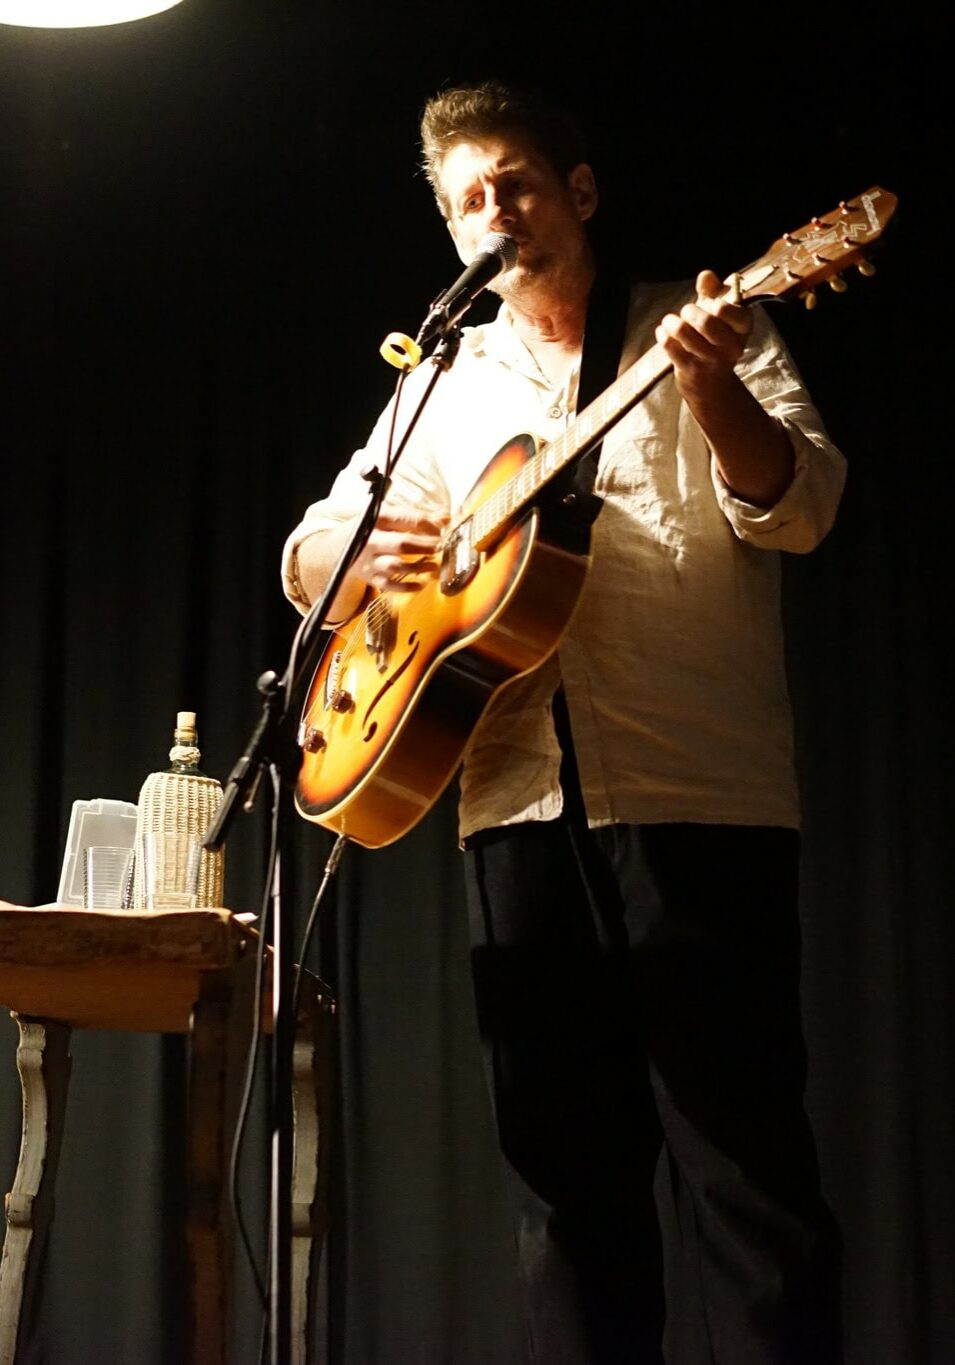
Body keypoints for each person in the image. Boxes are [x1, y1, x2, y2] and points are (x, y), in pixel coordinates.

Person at [282, 81, 846, 1365]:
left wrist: (711, 396)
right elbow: (313, 549)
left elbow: (800, 507)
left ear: (577, 192)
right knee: (565, 1192)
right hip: (515, 812)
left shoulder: (710, 326)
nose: (498, 210)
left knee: (747, 1178)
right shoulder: (441, 385)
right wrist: (370, 560)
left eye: (518, 182)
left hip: (700, 798)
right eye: (469, 196)